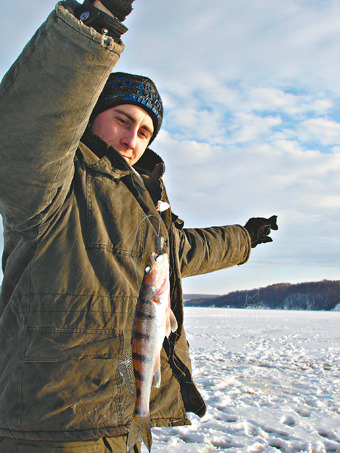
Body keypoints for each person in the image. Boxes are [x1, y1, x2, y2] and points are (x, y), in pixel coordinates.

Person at [0, 0, 278, 451]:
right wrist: (89, 28)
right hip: (51, 427)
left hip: (122, 419)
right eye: (122, 120)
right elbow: (26, 129)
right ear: (89, 115)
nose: (133, 140)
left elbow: (184, 250)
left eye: (145, 131)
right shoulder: (53, 183)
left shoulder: (146, 207)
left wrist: (243, 237)